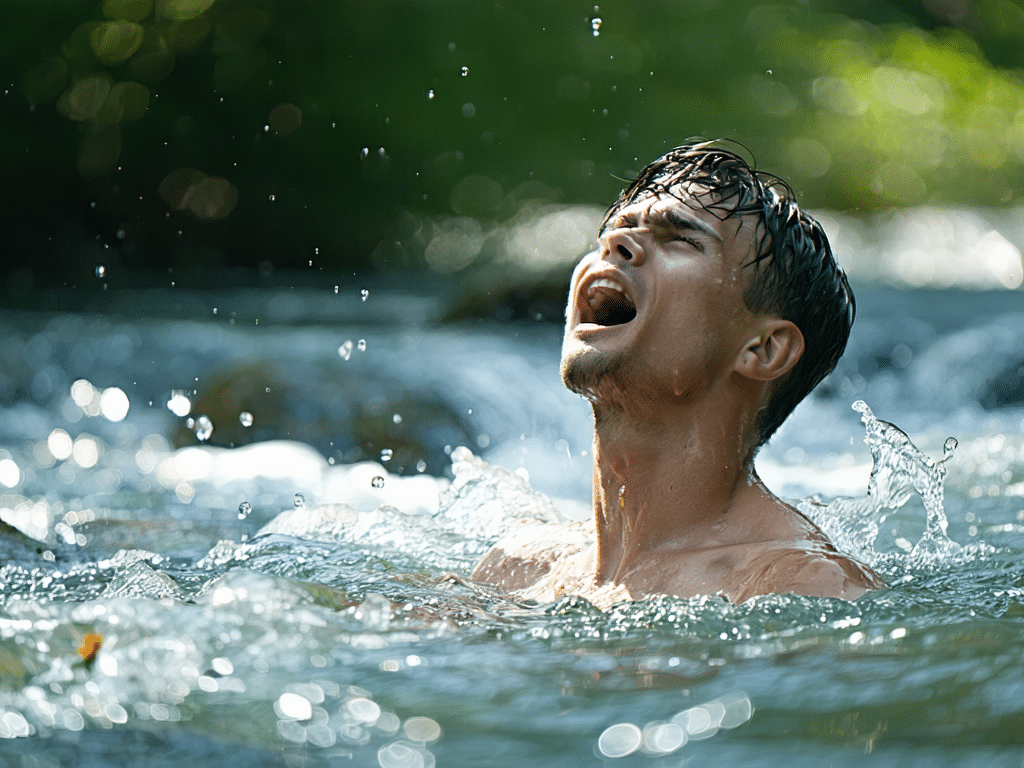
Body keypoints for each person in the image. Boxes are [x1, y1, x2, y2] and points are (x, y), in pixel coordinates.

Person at [472, 141, 882, 607]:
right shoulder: (515, 567)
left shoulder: (803, 586)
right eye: (619, 229)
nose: (615, 243)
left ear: (764, 349)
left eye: (679, 240)